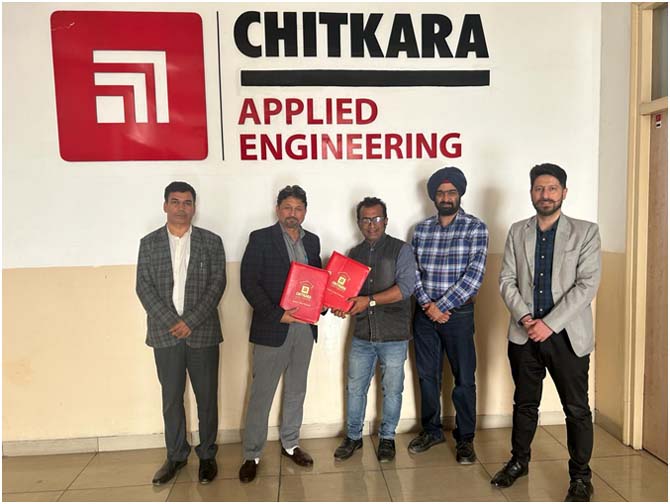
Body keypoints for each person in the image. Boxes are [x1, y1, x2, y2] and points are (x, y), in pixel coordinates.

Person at [493, 163, 601, 502]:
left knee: (576, 409)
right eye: (539, 188)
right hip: (524, 334)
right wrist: (526, 318)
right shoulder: (517, 231)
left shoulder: (585, 232)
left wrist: (549, 324)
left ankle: (580, 478)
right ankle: (519, 461)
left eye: (552, 188)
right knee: (525, 403)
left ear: (564, 192)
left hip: (567, 336)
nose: (546, 194)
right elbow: (506, 280)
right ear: (531, 193)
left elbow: (587, 285)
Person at [136, 181, 226, 486]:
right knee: (171, 398)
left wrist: (190, 321)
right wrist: (172, 322)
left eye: (187, 202)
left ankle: (208, 455)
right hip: (165, 335)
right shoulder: (149, 244)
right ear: (165, 206)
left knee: (207, 398)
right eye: (175, 202)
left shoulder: (211, 242)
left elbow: (217, 284)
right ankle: (175, 455)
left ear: (194, 207)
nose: (181, 208)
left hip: (203, 334)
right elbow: (143, 287)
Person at [238, 185, 322, 483]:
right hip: (273, 328)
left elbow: (317, 283)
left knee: (296, 389)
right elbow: (249, 283)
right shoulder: (261, 238)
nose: (292, 213)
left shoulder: (312, 241)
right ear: (277, 209)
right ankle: (252, 454)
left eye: (298, 208)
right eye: (287, 207)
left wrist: (325, 305)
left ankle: (290, 444)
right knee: (262, 393)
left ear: (305, 211)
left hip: (304, 329)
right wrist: (278, 314)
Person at [409, 166, 489, 464]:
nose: (446, 197)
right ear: (433, 196)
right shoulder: (421, 230)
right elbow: (413, 272)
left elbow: (474, 276)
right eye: (441, 193)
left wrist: (442, 306)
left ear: (460, 194)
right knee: (427, 376)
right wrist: (428, 305)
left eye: (451, 192)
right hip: (424, 315)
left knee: (464, 378)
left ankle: (465, 439)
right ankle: (431, 431)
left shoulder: (475, 228)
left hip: (458, 314)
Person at [331, 197, 416, 463]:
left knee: (392, 390)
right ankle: (353, 437)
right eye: (366, 219)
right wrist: (340, 306)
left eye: (377, 218)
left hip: (394, 334)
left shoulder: (401, 250)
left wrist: (368, 300)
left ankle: (387, 438)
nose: (372, 224)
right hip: (362, 334)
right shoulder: (353, 254)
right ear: (358, 223)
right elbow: (347, 294)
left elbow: (406, 288)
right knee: (355, 388)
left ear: (386, 220)